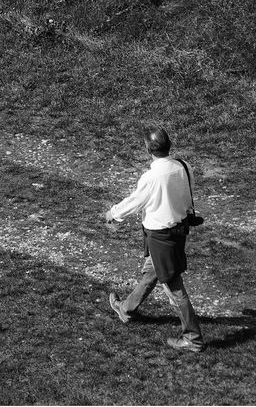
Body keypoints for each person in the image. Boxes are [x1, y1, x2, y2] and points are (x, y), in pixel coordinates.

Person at [105, 127, 206, 353]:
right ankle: (127, 308)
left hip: (160, 236)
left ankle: (193, 338)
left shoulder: (151, 177)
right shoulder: (183, 166)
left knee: (173, 286)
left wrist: (113, 213)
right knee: (152, 270)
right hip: (178, 231)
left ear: (148, 149)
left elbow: (135, 201)